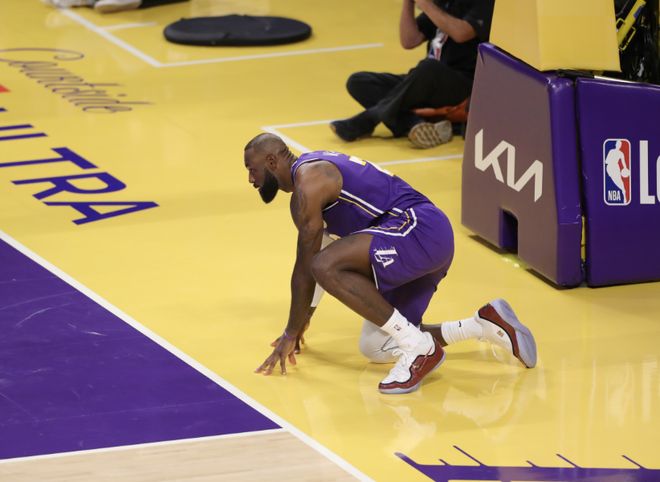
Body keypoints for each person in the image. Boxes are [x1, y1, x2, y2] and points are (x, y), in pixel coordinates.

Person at [246, 133, 536, 394]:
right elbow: (319, 250)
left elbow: (307, 268)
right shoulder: (310, 173)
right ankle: (482, 325)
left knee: (325, 265)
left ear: (271, 162)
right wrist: (303, 318)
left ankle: (418, 347)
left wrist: (291, 331)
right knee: (376, 346)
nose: (250, 179)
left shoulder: (310, 182)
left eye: (252, 169)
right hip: (417, 239)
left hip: (419, 229)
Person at [330, 0, 494, 149]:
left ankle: (371, 118)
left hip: (462, 85)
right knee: (358, 82)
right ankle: (413, 123)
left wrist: (425, 4)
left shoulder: (484, 3)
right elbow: (409, 40)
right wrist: (408, 3)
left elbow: (461, 33)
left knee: (429, 67)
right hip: (425, 80)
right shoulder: (444, 3)